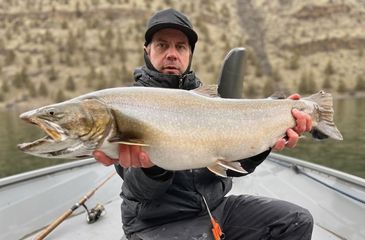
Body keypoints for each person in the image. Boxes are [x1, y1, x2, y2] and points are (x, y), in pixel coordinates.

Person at [94, 8, 313, 240]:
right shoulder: (127, 105)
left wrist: (267, 140)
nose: (171, 54)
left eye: (180, 46)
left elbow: (231, 167)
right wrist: (152, 167)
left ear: (189, 53)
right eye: (162, 45)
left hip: (214, 210)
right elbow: (142, 192)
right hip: (154, 224)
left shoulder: (209, 101)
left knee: (296, 221)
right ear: (147, 50)